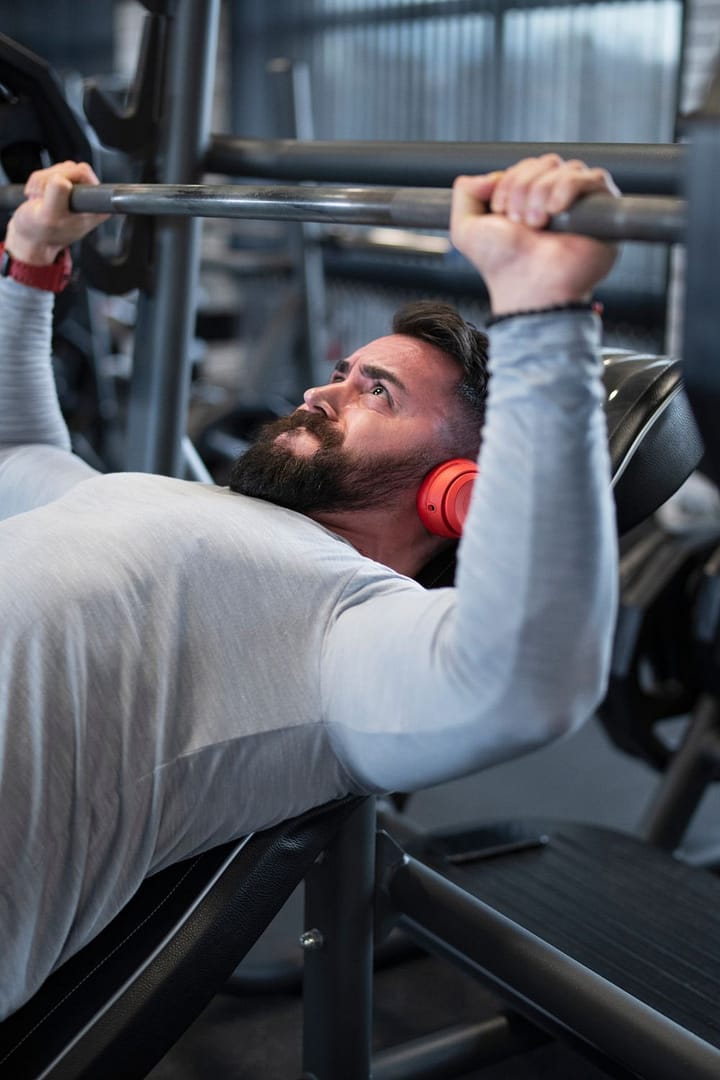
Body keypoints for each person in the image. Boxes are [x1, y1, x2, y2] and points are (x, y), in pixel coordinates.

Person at [0, 155, 619, 1019]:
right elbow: (15, 455)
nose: (321, 392)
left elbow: (524, 682)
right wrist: (30, 265)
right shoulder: (170, 500)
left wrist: (544, 314)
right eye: (344, 369)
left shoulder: (351, 621)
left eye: (378, 392)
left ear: (460, 492)